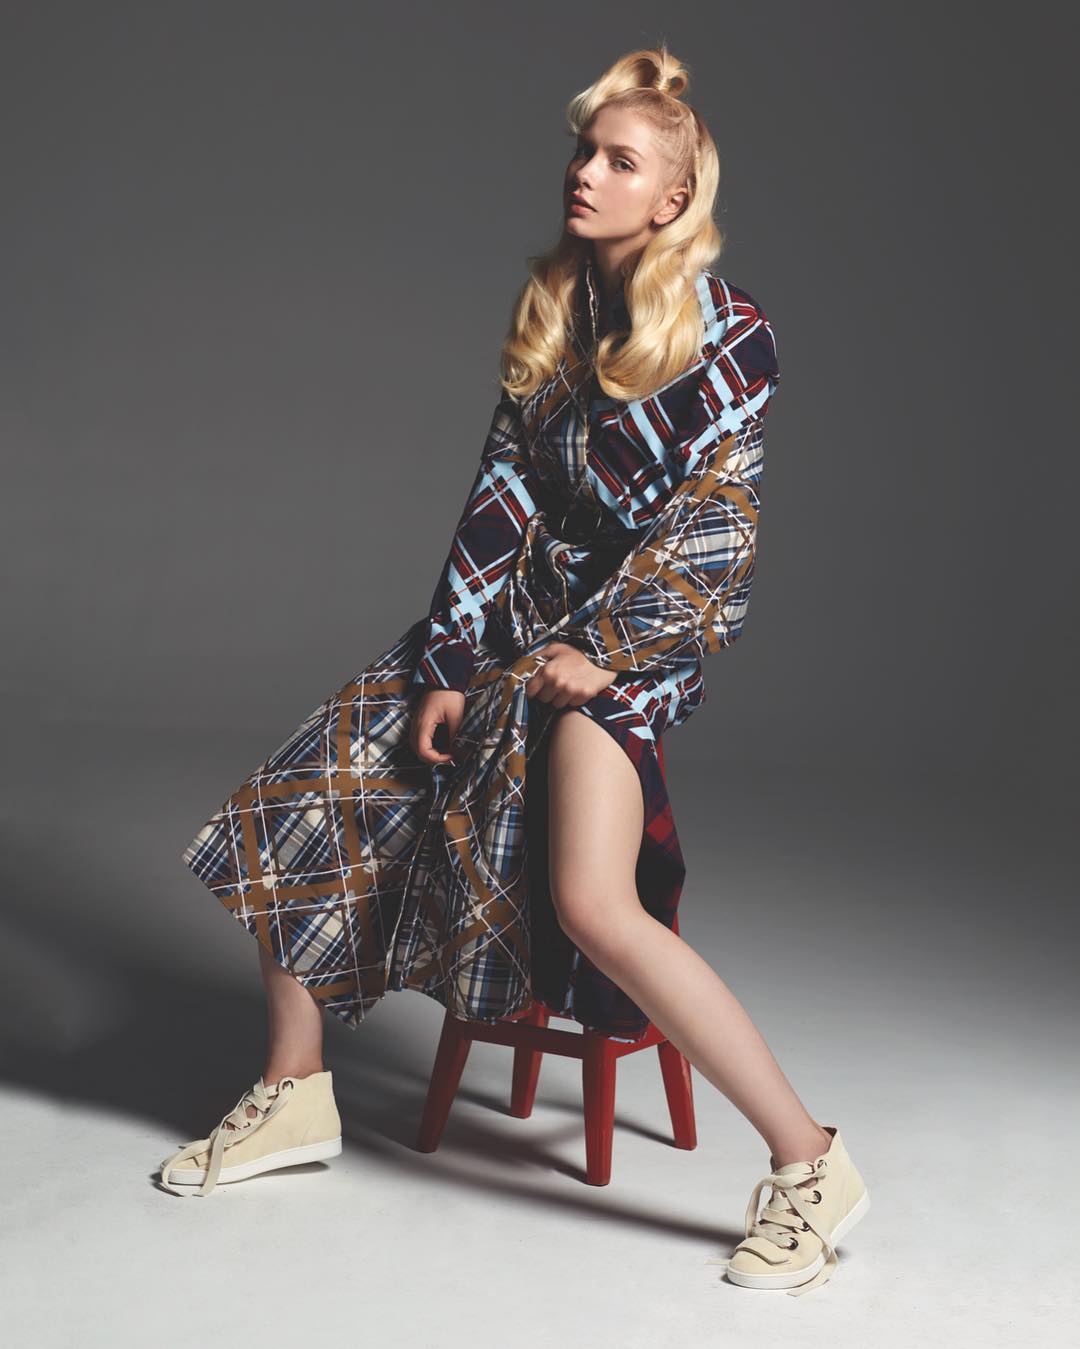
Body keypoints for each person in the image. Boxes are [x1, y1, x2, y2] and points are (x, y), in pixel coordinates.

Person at [159, 46, 870, 1297]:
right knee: (305, 788)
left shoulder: (731, 334)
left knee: (595, 902)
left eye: (619, 160)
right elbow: (499, 494)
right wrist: (447, 657)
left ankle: (811, 1162)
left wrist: (607, 653)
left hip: (630, 650)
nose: (584, 173)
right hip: (511, 633)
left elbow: (718, 528)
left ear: (672, 198)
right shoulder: (556, 308)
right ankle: (293, 1088)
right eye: (585, 150)